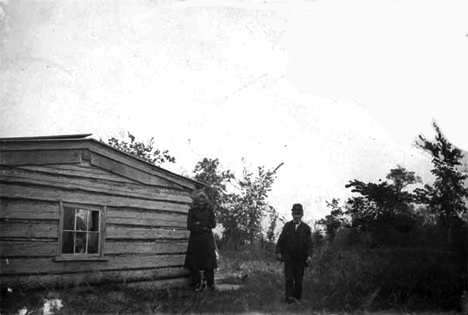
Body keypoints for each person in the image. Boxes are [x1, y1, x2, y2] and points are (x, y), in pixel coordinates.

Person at [275, 203, 313, 304]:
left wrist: (309, 256)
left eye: (298, 213)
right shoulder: (287, 226)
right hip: (288, 258)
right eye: (294, 213)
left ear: (302, 214)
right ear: (292, 214)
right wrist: (278, 252)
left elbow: (310, 244)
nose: (296, 216)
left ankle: (297, 300)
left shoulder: (306, 229)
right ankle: (289, 301)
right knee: (288, 279)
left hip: (301, 259)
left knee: (299, 281)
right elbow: (281, 240)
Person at [183, 191, 218, 291]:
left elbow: (213, 224)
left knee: (209, 263)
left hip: (207, 240)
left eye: (202, 201)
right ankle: (197, 284)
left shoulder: (209, 211)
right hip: (195, 240)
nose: (201, 203)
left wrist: (199, 223)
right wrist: (203, 226)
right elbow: (189, 226)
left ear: (205, 201)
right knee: (194, 262)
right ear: (196, 201)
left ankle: (210, 285)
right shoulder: (192, 211)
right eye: (199, 201)